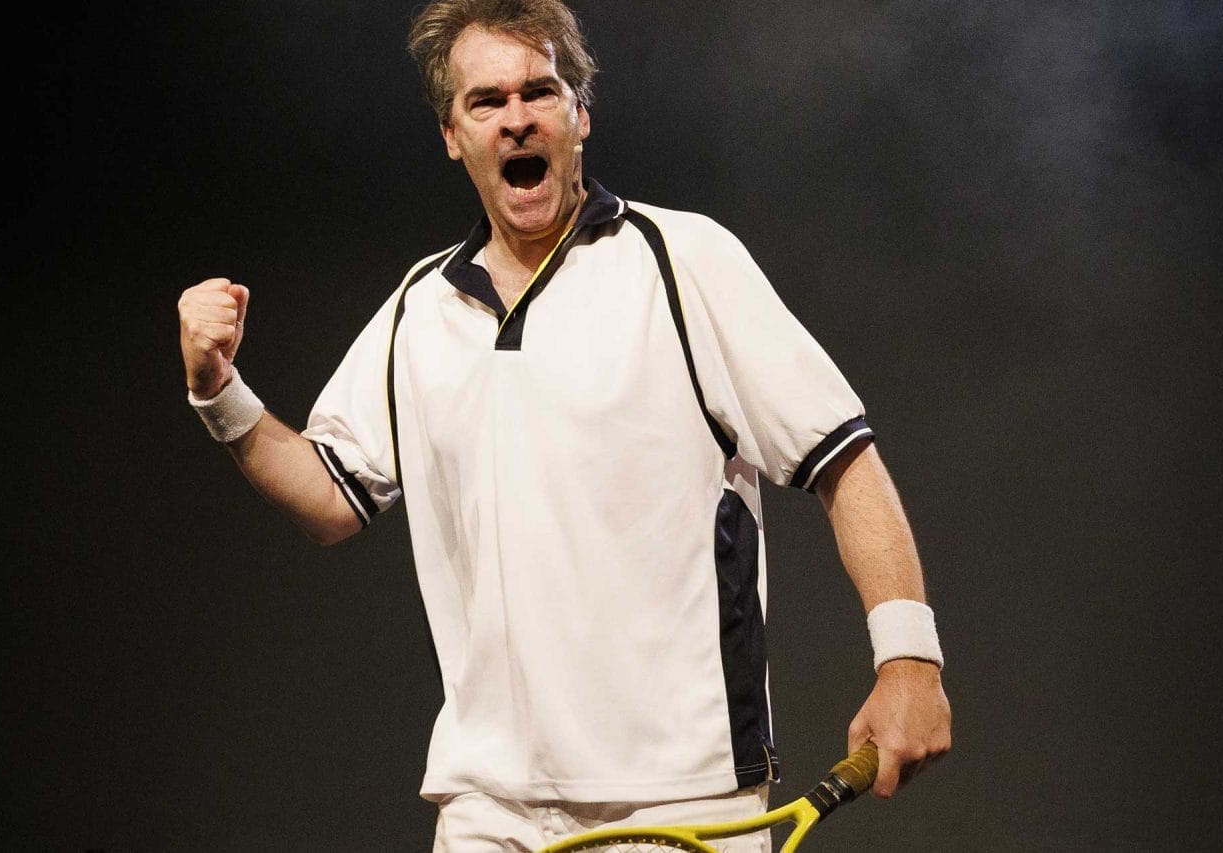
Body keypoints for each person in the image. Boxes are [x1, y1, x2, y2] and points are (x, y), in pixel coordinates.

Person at [176, 1, 951, 849]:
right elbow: (330, 496)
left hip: (681, 803)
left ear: (580, 113)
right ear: (451, 134)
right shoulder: (418, 308)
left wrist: (909, 657)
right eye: (485, 101)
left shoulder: (683, 259)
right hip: (486, 808)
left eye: (538, 91)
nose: (515, 119)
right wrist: (222, 392)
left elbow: (845, 462)